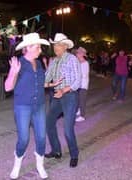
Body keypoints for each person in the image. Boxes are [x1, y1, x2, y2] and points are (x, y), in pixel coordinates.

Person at [4, 33, 53, 179]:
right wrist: (13, 72)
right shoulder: (19, 63)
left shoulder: (38, 63)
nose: (40, 50)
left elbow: (39, 83)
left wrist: (51, 84)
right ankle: (17, 162)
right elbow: (7, 87)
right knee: (24, 139)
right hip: (23, 106)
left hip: (39, 105)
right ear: (28, 48)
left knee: (41, 137)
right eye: (38, 47)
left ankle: (40, 165)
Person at [45, 33, 81, 168]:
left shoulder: (72, 59)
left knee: (67, 129)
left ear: (65, 46)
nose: (56, 47)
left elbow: (77, 81)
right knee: (49, 122)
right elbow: (46, 77)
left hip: (69, 96)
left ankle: (74, 154)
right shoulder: (54, 61)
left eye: (59, 45)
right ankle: (56, 150)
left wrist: (63, 90)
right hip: (56, 96)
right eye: (55, 45)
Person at [74, 47, 89, 122]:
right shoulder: (78, 62)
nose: (77, 54)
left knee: (82, 100)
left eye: (78, 53)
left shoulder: (85, 63)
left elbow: (84, 75)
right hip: (78, 84)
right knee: (77, 99)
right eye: (77, 52)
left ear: (82, 54)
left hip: (83, 85)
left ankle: (82, 116)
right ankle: (79, 110)